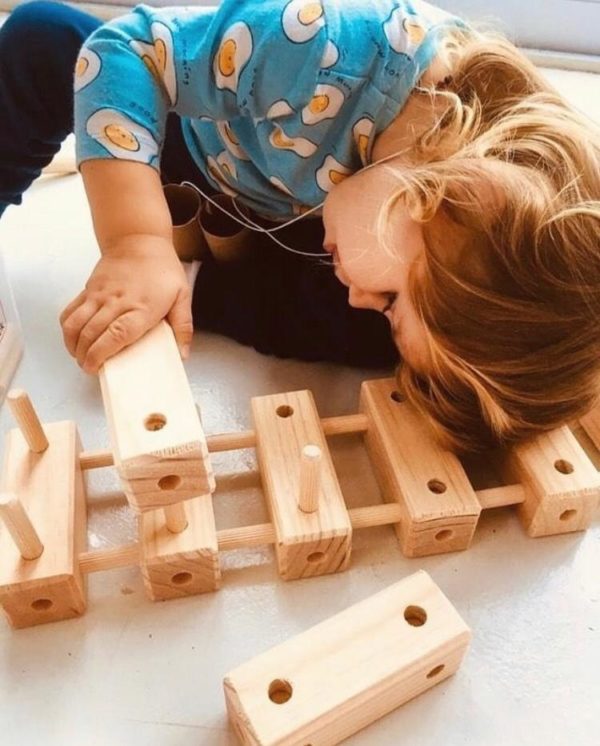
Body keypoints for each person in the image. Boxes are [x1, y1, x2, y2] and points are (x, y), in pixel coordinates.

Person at [1, 0, 599, 453]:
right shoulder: (325, 46)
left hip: (314, 213)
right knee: (42, 36)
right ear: (436, 200)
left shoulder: (499, 189)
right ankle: (177, 270)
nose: (365, 299)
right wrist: (137, 241)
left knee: (419, 352)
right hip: (211, 157)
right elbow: (124, 51)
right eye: (388, 299)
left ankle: (200, 285)